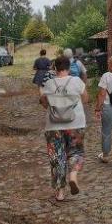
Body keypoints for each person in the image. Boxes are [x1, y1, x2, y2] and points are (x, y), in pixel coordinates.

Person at [40, 55, 88, 202]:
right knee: (76, 151)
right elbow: (85, 99)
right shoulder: (77, 81)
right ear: (68, 67)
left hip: (54, 126)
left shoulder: (49, 83)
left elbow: (44, 102)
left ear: (55, 68)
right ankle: (73, 175)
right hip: (76, 124)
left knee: (57, 157)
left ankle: (60, 192)